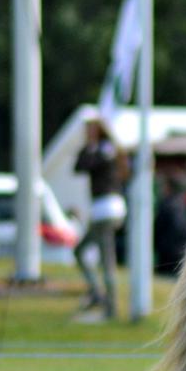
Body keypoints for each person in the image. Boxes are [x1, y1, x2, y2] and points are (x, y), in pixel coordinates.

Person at [73, 118, 127, 319]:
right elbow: (78, 166)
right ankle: (97, 293)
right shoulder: (100, 148)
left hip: (107, 209)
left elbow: (88, 164)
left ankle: (109, 307)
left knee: (106, 260)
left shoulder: (105, 149)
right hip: (103, 210)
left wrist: (91, 147)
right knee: (81, 251)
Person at [154, 173, 186, 276]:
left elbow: (156, 233)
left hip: (166, 259)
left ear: (168, 187)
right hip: (184, 258)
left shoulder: (166, 205)